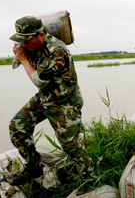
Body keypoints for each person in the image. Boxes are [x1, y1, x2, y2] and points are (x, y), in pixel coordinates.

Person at [9, 16, 94, 185]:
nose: (24, 44)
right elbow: (17, 64)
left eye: (27, 40)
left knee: (71, 146)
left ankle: (89, 179)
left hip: (65, 102)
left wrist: (24, 59)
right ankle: (34, 167)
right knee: (17, 126)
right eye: (22, 40)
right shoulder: (31, 45)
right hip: (45, 97)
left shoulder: (57, 50)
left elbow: (39, 80)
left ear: (41, 34)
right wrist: (22, 53)